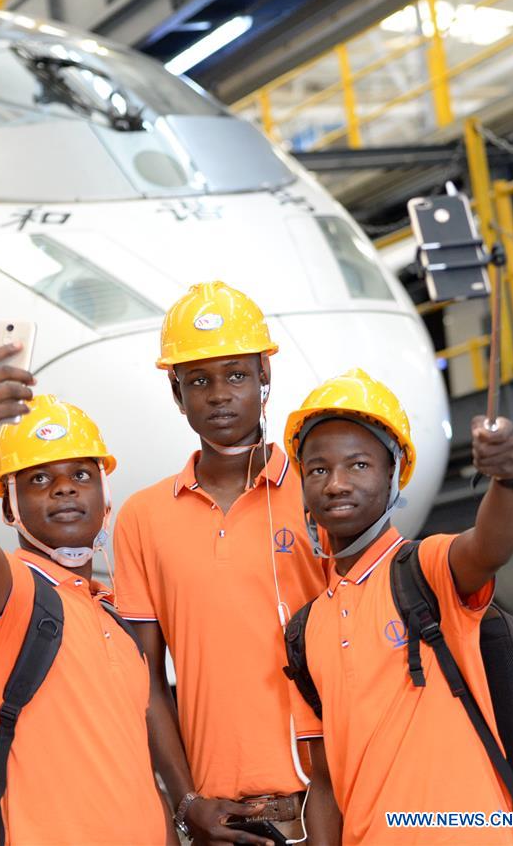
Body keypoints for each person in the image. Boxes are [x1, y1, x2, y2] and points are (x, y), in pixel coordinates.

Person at [114, 281, 335, 845]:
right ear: (176, 392)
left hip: (332, 803)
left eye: (236, 374)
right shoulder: (142, 517)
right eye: (198, 380)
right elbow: (145, 681)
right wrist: (187, 802)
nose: (218, 395)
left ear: (265, 375)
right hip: (223, 823)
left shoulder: (318, 492)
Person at [0, 343, 172, 846]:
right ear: (9, 509)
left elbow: (133, 770)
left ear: (105, 496)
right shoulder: (9, 594)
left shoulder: (111, 614)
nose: (65, 488)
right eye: (40, 479)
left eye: (81, 475)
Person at [283, 367, 513, 844]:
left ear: (393, 473)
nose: (336, 484)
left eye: (358, 465)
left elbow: (489, 547)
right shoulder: (305, 631)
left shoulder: (426, 568)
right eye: (318, 469)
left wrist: (508, 479)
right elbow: (325, 782)